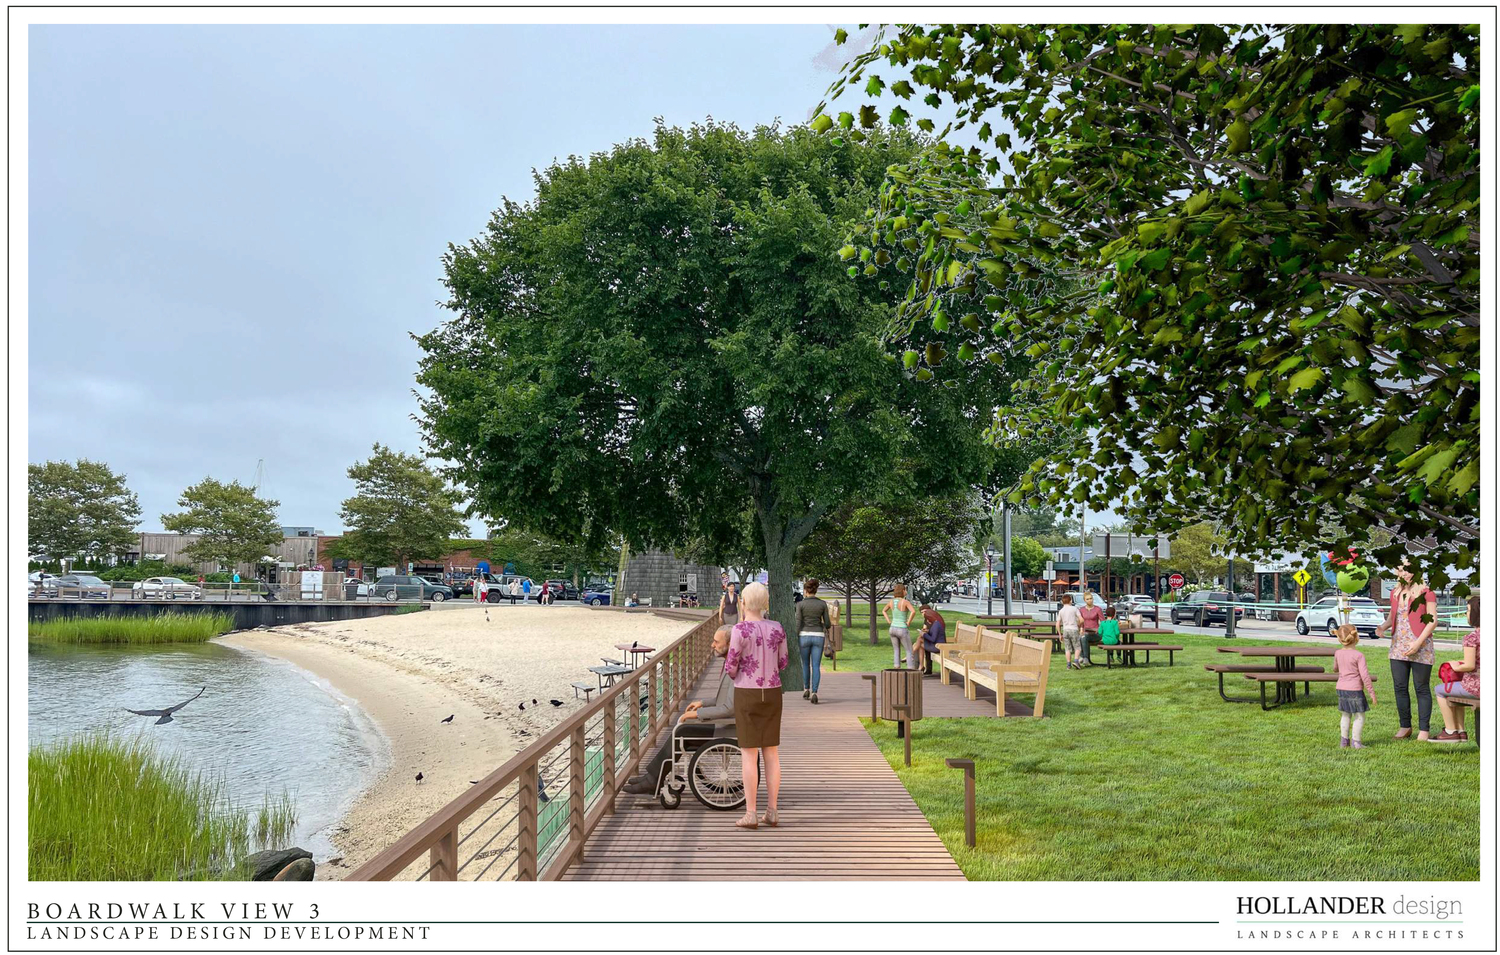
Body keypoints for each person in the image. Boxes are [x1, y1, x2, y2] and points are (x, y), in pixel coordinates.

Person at [622, 625, 735, 793]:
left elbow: (729, 708)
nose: (712, 645)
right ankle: (653, 777)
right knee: (681, 731)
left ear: (730, 644)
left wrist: (698, 714)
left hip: (727, 729)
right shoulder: (731, 665)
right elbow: (725, 700)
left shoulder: (735, 671)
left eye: (716, 642)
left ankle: (653, 780)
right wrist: (702, 703)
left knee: (682, 731)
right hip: (724, 723)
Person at [725, 582, 786, 830]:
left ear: (743, 603)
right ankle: (772, 810)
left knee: (749, 753)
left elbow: (731, 667)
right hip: (772, 692)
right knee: (771, 752)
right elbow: (783, 661)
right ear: (766, 603)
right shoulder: (777, 628)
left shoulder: (739, 630)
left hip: (747, 692)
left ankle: (751, 813)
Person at [1376, 560, 1438, 740]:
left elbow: (1432, 621)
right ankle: (1405, 726)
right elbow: (1392, 618)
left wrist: (1417, 644)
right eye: (1401, 570)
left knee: (1421, 688)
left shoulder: (1427, 592)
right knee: (1400, 687)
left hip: (1421, 645)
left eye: (1408, 571)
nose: (1404, 574)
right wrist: (1382, 627)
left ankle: (1424, 730)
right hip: (1398, 646)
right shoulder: (1395, 593)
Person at [1432, 594, 1481, 743]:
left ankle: (1450, 730)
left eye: (1467, 610)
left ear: (1476, 614)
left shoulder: (1472, 637)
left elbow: (1470, 665)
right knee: (1456, 687)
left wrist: (1454, 665)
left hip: (1476, 687)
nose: (1466, 614)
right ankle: (1461, 732)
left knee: (1440, 690)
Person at [1331, 624, 1378, 748]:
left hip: (1341, 688)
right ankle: (1356, 742)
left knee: (1345, 714)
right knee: (1359, 715)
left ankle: (1344, 742)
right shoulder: (1358, 655)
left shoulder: (1337, 653)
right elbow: (1365, 676)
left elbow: (1335, 669)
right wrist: (1372, 693)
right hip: (1355, 689)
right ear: (1356, 637)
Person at [794, 579, 831, 704]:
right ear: (816, 590)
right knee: (816, 665)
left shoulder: (800, 605)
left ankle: (806, 689)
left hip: (804, 636)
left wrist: (795, 635)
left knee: (805, 664)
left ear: (805, 590)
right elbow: (827, 623)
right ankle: (815, 692)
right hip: (818, 636)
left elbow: (798, 623)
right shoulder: (822, 604)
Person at [882, 583, 918, 669]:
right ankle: (910, 669)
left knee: (896, 649)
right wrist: (908, 622)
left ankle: (896, 666)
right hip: (902, 628)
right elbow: (913, 611)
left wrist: (889, 621)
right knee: (909, 650)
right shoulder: (905, 602)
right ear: (902, 591)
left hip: (892, 628)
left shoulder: (891, 601)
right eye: (905, 590)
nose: (906, 591)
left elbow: (884, 611)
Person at [918, 604, 946, 676]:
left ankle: (911, 655)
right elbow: (931, 633)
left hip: (938, 646)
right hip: (935, 644)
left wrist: (924, 634)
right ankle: (921, 666)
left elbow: (933, 639)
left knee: (920, 642)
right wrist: (926, 631)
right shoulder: (934, 623)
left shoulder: (936, 625)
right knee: (920, 642)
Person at [1058, 593, 1084, 670]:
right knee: (1077, 647)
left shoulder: (1061, 611)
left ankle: (1068, 665)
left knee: (1067, 648)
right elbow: (1081, 619)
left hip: (1065, 630)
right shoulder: (1074, 609)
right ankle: (1076, 661)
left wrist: (1060, 634)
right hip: (1074, 629)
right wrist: (1079, 625)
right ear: (1070, 601)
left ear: (1062, 602)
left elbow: (1058, 623)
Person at [1078, 592, 1103, 666]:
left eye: (1091, 598)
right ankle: (1085, 658)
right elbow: (1081, 622)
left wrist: (1099, 629)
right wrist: (1081, 628)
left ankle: (1082, 657)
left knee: (1083, 637)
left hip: (1096, 634)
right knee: (1082, 636)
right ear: (1084, 600)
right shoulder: (1081, 609)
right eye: (1087, 599)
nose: (1090, 600)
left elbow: (1103, 622)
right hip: (1085, 633)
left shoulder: (1098, 609)